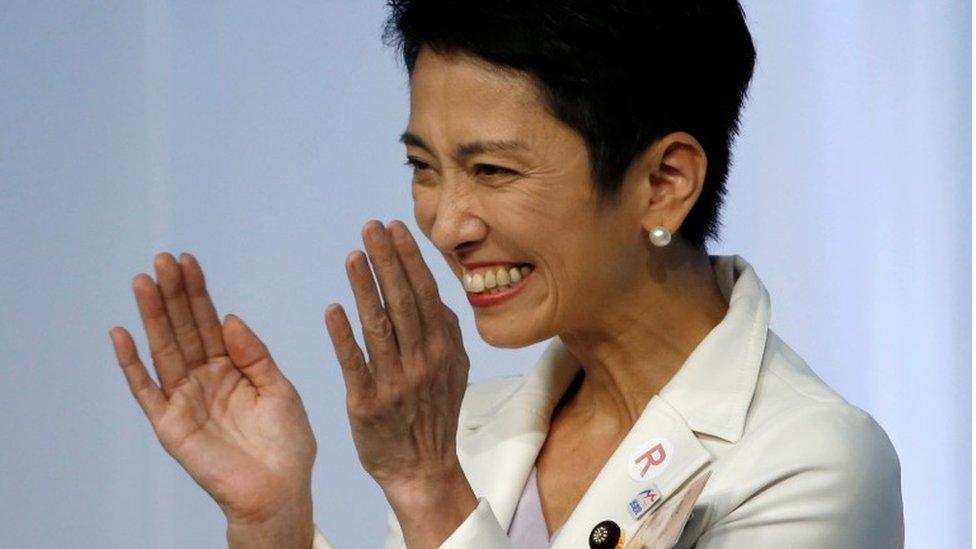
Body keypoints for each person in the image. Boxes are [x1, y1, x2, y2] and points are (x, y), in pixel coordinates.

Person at [109, 1, 904, 548]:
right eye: (424, 166)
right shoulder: (470, 428)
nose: (447, 224)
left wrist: (428, 489)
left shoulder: (812, 457)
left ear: (664, 182)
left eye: (491, 170)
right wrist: (275, 522)